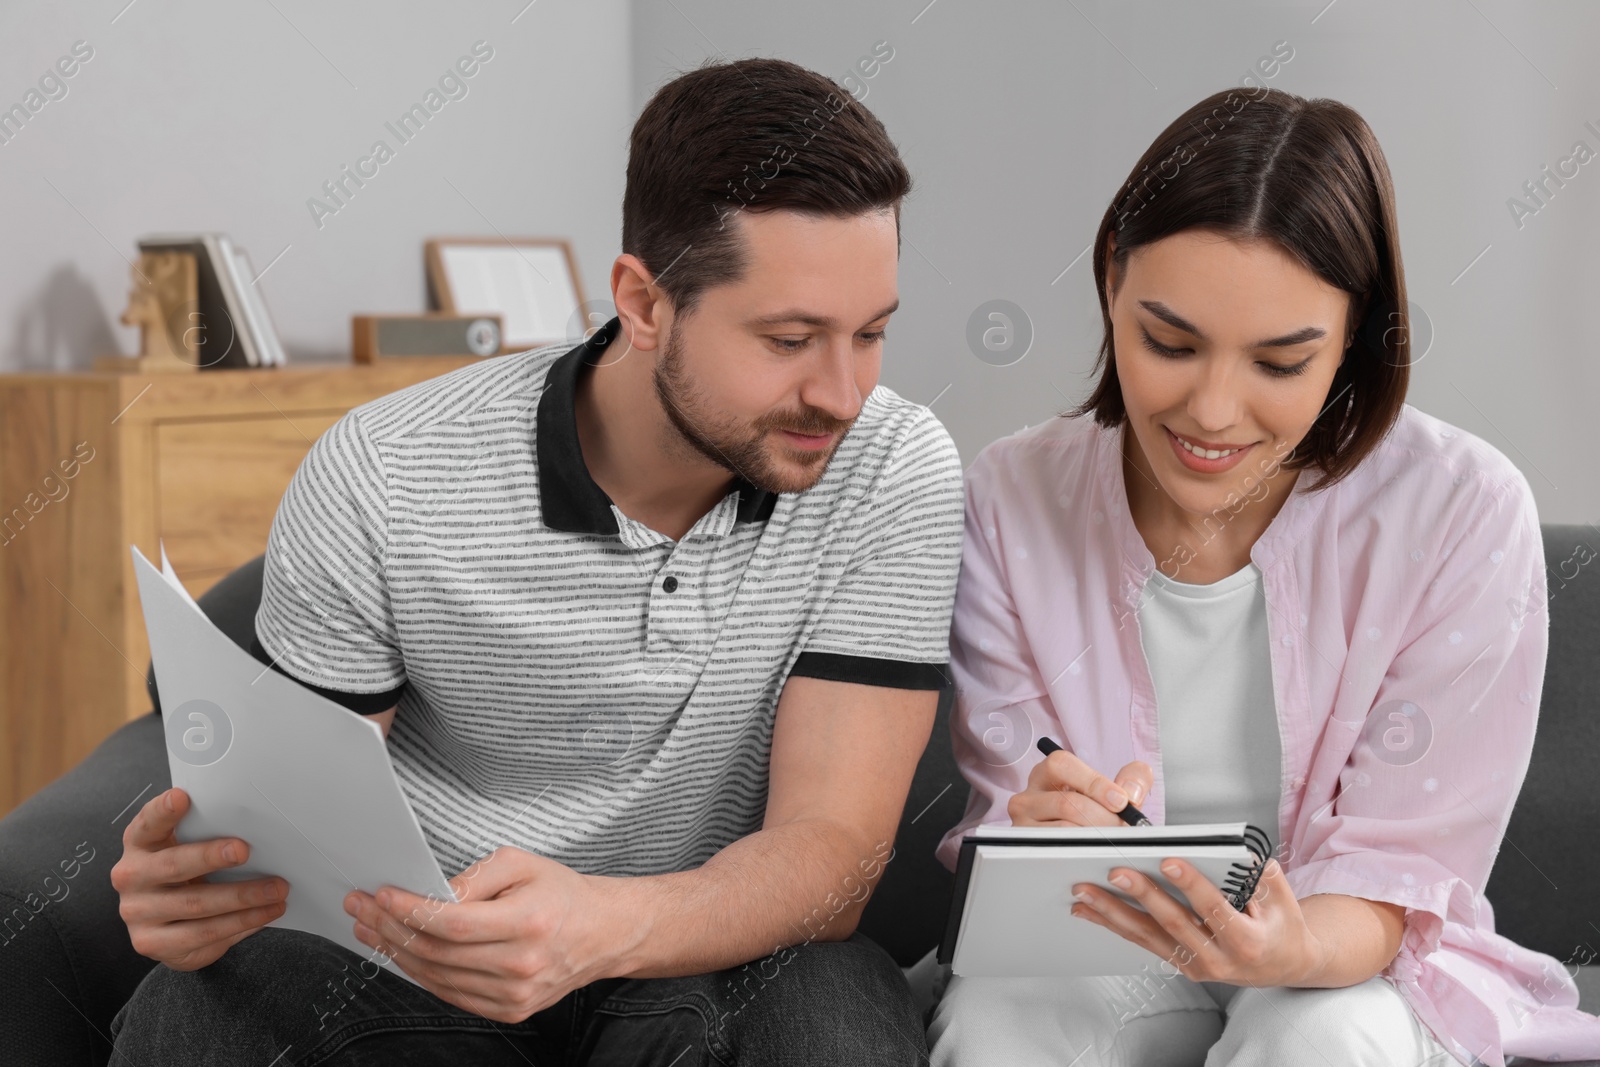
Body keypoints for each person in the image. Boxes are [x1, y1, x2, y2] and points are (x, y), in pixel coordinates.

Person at [109, 58, 963, 1066]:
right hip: (419, 962)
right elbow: (290, 830)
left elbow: (830, 854)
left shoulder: (895, 468)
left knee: (828, 1008)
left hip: (703, 959)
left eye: (870, 334)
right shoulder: (384, 471)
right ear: (643, 302)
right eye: (789, 338)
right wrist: (202, 886)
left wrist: (600, 923)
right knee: (203, 1009)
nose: (843, 391)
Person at [923, 86, 1600, 1066]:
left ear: (1355, 335)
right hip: (1097, 954)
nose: (1212, 411)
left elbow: (1395, 880)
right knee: (1002, 1025)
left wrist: (1282, 944)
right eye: (1169, 342)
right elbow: (1014, 839)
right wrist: (1040, 827)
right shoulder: (1010, 495)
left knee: (1315, 1035)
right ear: (1110, 275)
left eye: (1280, 362)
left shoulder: (1459, 512)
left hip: (1351, 964)